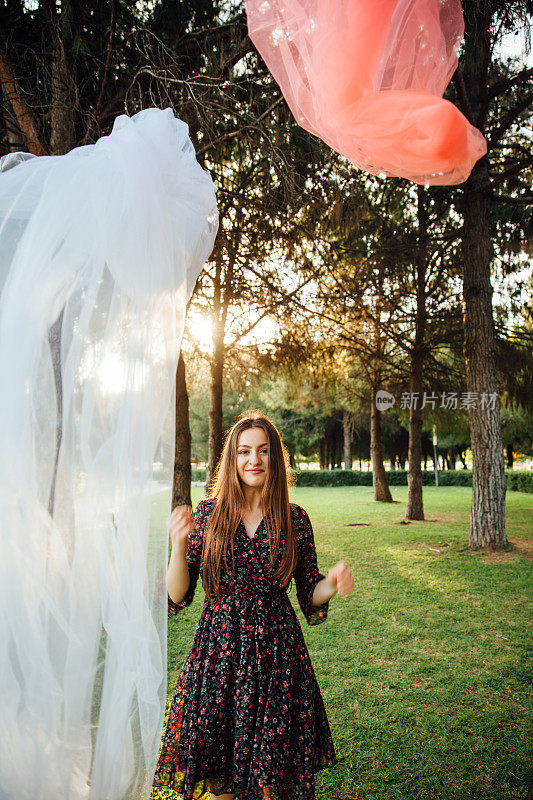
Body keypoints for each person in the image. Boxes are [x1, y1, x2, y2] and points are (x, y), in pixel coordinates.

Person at [152, 409, 355, 799]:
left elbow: (309, 591)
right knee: (222, 773)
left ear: (275, 458)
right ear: (233, 459)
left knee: (269, 777)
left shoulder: (294, 519)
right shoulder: (210, 515)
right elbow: (178, 594)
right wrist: (178, 545)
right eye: (244, 452)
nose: (254, 460)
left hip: (277, 656)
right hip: (219, 652)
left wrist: (330, 583)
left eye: (263, 451)